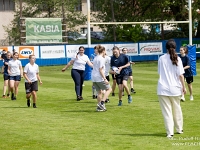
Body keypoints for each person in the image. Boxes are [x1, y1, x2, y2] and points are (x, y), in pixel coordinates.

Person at [157, 39, 186, 138]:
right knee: (177, 109)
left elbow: (160, 73)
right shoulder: (178, 58)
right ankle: (179, 129)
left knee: (167, 112)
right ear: (175, 48)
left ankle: (170, 132)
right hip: (175, 88)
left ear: (166, 48)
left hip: (163, 88)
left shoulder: (161, 58)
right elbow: (181, 75)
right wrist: (183, 87)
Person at [91, 45, 112, 111]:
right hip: (99, 77)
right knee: (109, 89)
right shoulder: (102, 59)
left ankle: (99, 108)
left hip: (94, 77)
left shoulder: (95, 58)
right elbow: (100, 69)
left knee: (99, 92)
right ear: (103, 51)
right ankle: (102, 103)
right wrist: (105, 79)